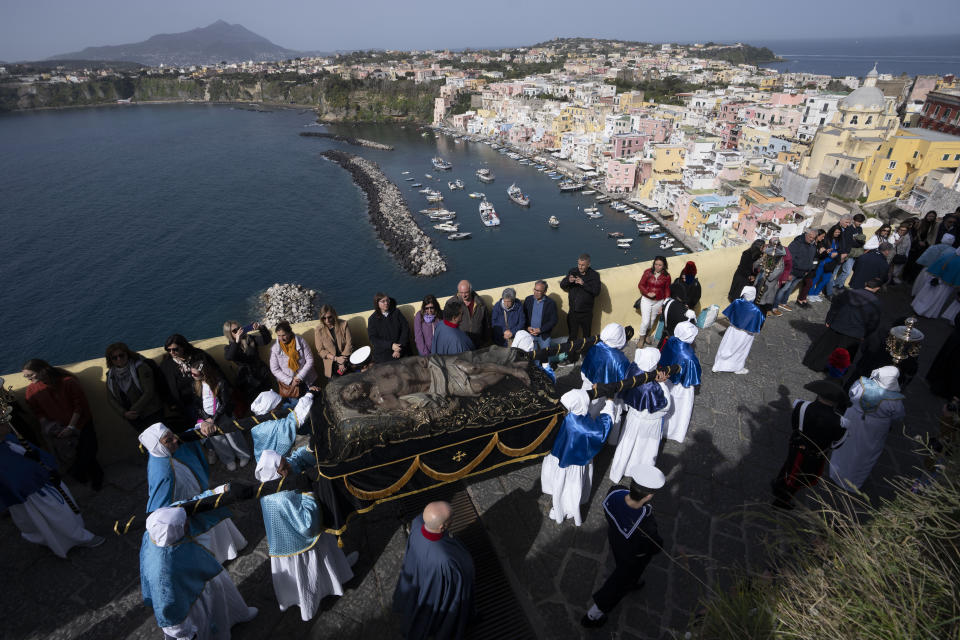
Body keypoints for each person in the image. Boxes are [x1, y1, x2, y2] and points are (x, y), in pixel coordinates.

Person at [255, 449, 357, 621]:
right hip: (301, 543)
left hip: (285, 542)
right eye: (284, 466)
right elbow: (307, 526)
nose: (289, 466)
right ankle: (309, 606)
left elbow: (294, 462)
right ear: (276, 473)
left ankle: (340, 574)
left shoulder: (268, 486)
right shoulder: (282, 497)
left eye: (285, 462)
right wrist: (308, 493)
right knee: (307, 579)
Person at [140, 507, 258, 640]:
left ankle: (237, 614)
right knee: (207, 619)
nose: (187, 525)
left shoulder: (156, 535)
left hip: (202, 573)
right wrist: (184, 633)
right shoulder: (163, 573)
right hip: (192, 597)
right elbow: (168, 607)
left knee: (222, 591)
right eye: (184, 525)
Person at [138, 422, 247, 564]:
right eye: (169, 440)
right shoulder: (161, 473)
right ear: (158, 447)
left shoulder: (166, 449)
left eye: (172, 436)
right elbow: (160, 511)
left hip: (199, 495)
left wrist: (201, 427)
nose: (176, 440)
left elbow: (189, 435)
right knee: (205, 533)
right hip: (187, 510)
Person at [1, 414, 104, 558]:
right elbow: (14, 477)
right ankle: (81, 537)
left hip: (44, 484)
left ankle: (66, 536)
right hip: (33, 495)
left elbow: (32, 454)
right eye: (2, 423)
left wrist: (45, 466)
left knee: (61, 514)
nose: (7, 424)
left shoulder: (9, 439)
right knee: (55, 517)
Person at [581, 466, 665, 629]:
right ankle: (593, 615)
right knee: (618, 584)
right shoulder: (645, 524)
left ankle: (632, 582)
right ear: (648, 496)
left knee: (624, 568)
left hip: (616, 540)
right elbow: (655, 546)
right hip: (633, 556)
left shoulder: (615, 491)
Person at [338, 353, 530, 413]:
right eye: (352, 393)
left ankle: (512, 369)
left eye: (350, 387)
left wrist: (418, 358)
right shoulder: (381, 399)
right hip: (438, 386)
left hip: (432, 367)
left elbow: (402, 363)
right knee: (478, 386)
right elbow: (405, 406)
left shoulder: (376, 374)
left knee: (472, 368)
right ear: (360, 398)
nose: (353, 388)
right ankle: (507, 370)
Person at [393, 501, 475, 640]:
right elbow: (457, 583)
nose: (453, 519)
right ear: (442, 527)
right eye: (451, 518)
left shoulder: (417, 522)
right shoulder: (445, 560)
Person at [22, 359, 104, 491]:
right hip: (58, 428)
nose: (28, 379)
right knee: (74, 454)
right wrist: (52, 428)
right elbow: (37, 411)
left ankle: (92, 475)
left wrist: (71, 427)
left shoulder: (67, 382)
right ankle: (84, 474)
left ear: (43, 370)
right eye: (25, 376)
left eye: (30, 375)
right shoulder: (31, 391)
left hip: (81, 424)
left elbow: (79, 406)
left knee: (88, 451)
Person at [540, 389, 615, 526]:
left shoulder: (565, 416)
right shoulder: (584, 426)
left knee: (560, 484)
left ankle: (558, 507)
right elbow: (603, 430)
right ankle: (568, 509)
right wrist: (609, 404)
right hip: (576, 462)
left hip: (560, 457)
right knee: (572, 488)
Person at [770, 379, 848, 510]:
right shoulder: (842, 422)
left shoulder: (801, 406)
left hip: (796, 446)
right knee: (800, 477)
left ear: (819, 394)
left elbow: (795, 425)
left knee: (789, 465)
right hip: (815, 454)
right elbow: (836, 445)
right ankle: (782, 500)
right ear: (836, 402)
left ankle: (779, 484)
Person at [828, 366, 906, 491]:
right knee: (864, 454)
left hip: (853, 418)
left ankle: (835, 473)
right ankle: (852, 483)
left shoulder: (861, 384)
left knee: (845, 446)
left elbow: (851, 394)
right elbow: (898, 415)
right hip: (875, 428)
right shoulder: (895, 400)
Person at [609, 348, 671, 482]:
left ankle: (618, 471)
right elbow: (665, 406)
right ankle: (639, 474)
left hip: (633, 417)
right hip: (649, 423)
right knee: (644, 450)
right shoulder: (653, 387)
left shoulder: (634, 370)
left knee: (627, 444)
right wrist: (663, 385)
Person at [189, 356, 251, 471]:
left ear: (204, 373)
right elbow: (198, 404)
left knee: (233, 437)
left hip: (223, 415)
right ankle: (228, 459)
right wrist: (206, 418)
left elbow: (225, 403)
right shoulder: (195, 385)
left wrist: (214, 418)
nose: (192, 376)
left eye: (195, 374)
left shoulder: (220, 383)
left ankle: (243, 455)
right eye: (191, 374)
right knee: (218, 441)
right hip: (208, 418)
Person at [580, 323, 631, 440]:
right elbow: (624, 382)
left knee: (587, 414)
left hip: (588, 387)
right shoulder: (620, 360)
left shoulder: (595, 347)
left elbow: (584, 371)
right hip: (609, 396)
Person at [104, 342, 163, 432]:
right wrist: (124, 413)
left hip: (151, 412)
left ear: (127, 354)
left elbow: (149, 391)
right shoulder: (111, 376)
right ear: (110, 360)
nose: (119, 359)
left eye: (121, 355)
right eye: (114, 357)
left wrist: (133, 411)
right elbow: (111, 398)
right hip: (133, 418)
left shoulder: (140, 368)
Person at [659, 322, 702, 444]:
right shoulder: (689, 357)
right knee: (679, 408)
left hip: (667, 379)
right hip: (682, 386)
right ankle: (673, 431)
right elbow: (695, 374)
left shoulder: (671, 340)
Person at [160, 334, 218, 424]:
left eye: (175, 349)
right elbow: (164, 387)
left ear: (183, 346)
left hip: (207, 398)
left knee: (216, 423)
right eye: (168, 350)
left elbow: (215, 373)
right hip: (188, 406)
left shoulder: (199, 356)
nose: (172, 352)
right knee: (202, 428)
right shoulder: (167, 365)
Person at [713, 286, 765, 375]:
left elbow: (729, 316)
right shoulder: (756, 311)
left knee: (726, 346)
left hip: (732, 330)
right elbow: (756, 326)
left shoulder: (737, 302)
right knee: (741, 350)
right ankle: (737, 368)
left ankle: (718, 365)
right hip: (745, 334)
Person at [223, 321, 273, 401]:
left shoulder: (250, 339)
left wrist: (261, 328)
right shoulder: (229, 347)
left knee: (270, 399)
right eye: (235, 331)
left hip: (261, 373)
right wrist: (237, 341)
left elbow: (266, 340)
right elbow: (229, 356)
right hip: (248, 379)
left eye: (239, 328)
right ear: (229, 334)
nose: (239, 331)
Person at [560, 253, 602, 340]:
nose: (580, 267)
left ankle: (585, 353)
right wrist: (568, 280)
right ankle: (572, 353)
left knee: (586, 337)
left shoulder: (594, 275)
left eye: (583, 265)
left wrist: (583, 284)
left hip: (586, 313)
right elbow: (562, 285)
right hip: (573, 312)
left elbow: (596, 292)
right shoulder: (573, 271)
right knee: (572, 336)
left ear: (588, 264)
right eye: (579, 264)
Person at [270, 320, 318, 395]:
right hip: (289, 385)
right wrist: (290, 381)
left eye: (284, 335)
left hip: (307, 380)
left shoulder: (301, 342)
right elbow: (274, 369)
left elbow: (310, 360)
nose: (281, 339)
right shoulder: (275, 348)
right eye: (279, 336)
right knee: (292, 405)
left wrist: (299, 377)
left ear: (289, 333)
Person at [777, 228, 819, 311]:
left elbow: (812, 259)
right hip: (793, 272)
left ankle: (783, 303)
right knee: (784, 288)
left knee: (790, 288)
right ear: (805, 234)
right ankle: (775, 305)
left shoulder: (813, 245)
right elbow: (789, 259)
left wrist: (808, 269)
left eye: (813, 238)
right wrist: (789, 273)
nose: (811, 239)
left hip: (802, 273)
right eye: (810, 237)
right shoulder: (797, 243)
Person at [912, 247, 960, 318]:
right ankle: (927, 312)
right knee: (936, 298)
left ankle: (917, 307)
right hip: (945, 285)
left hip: (934, 278)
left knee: (926, 294)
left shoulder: (948, 255)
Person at [367, 293, 412, 363]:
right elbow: (373, 339)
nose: (386, 303)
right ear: (377, 303)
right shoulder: (372, 319)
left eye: (387, 300)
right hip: (384, 355)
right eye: (383, 301)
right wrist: (390, 345)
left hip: (402, 349)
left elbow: (405, 329)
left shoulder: (396, 312)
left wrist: (398, 348)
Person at [636, 256, 671, 344]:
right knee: (645, 321)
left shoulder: (667, 276)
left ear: (664, 266)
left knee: (652, 321)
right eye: (656, 264)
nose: (657, 267)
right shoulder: (648, 272)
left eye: (660, 265)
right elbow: (641, 285)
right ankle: (641, 338)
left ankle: (647, 335)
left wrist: (664, 305)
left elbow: (667, 290)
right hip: (646, 300)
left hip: (659, 301)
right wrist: (647, 293)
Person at [314, 305, 354, 379]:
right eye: (324, 318)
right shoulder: (319, 330)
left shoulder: (343, 324)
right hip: (331, 363)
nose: (327, 321)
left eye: (329, 317)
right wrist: (336, 359)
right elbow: (320, 350)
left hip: (346, 359)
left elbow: (349, 344)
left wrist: (342, 361)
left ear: (334, 315)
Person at [831, 213, 866, 295]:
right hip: (847, 253)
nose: (859, 223)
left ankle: (838, 284)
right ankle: (835, 285)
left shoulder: (859, 229)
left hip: (855, 254)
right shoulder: (849, 229)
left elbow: (861, 241)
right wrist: (857, 242)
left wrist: (857, 241)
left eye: (861, 222)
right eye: (858, 221)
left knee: (846, 271)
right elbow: (849, 242)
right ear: (854, 220)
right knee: (845, 271)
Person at [807, 226, 843, 302]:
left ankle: (816, 293)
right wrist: (829, 254)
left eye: (839, 232)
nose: (837, 234)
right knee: (816, 279)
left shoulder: (838, 240)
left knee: (826, 279)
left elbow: (839, 249)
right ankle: (810, 294)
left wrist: (837, 253)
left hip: (831, 263)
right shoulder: (826, 239)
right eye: (836, 232)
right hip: (823, 262)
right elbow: (822, 249)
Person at [756, 239, 789, 316]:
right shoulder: (767, 257)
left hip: (768, 288)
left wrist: (763, 268)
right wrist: (761, 262)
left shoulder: (780, 264)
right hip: (760, 284)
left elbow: (770, 277)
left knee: (762, 307)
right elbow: (756, 265)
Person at [523, 280, 558, 350]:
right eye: (535, 290)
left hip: (543, 335)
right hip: (530, 334)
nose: (536, 293)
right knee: (533, 356)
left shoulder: (550, 303)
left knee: (546, 356)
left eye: (539, 291)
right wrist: (527, 327)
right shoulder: (528, 300)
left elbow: (553, 320)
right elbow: (523, 316)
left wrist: (540, 330)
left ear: (545, 292)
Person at [455, 280, 490, 348]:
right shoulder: (453, 304)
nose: (463, 295)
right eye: (461, 293)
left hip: (478, 344)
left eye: (466, 293)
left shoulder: (480, 304)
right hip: (461, 344)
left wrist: (486, 341)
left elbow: (486, 324)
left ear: (470, 291)